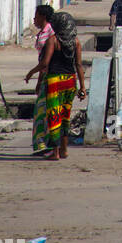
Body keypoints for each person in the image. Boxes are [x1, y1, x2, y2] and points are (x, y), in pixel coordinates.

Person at [28, 11, 86, 158]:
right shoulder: (76, 41)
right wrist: (83, 87)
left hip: (55, 82)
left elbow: (45, 63)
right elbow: (79, 65)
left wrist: (31, 73)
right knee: (66, 116)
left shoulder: (53, 40)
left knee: (54, 115)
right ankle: (64, 150)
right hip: (70, 81)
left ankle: (55, 152)